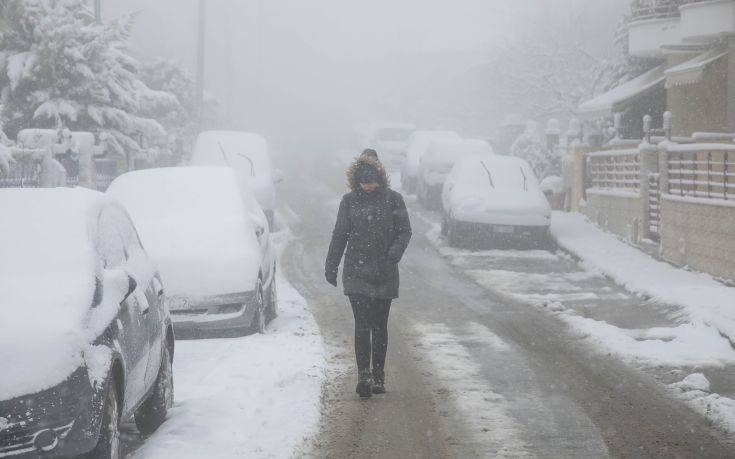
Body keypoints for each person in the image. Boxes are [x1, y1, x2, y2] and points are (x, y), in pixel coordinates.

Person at [325, 154, 412, 398]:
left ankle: (378, 376)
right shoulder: (349, 201)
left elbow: (405, 231)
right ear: (356, 181)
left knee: (379, 326)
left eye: (372, 182)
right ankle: (364, 375)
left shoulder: (394, 200)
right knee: (362, 325)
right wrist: (331, 266)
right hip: (356, 272)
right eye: (364, 183)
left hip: (385, 272)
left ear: (380, 179)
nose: (368, 186)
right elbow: (340, 234)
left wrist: (393, 254)